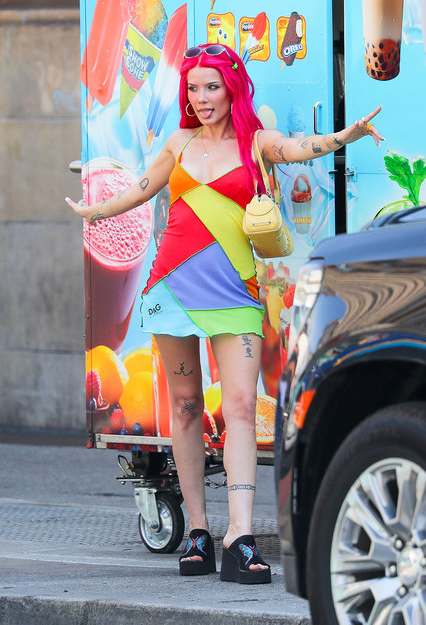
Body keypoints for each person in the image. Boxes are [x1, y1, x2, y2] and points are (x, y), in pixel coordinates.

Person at [66, 44, 384, 584]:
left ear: (232, 86)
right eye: (193, 88)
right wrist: (95, 210)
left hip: (235, 290)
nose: (201, 97)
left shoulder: (256, 141)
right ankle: (198, 530)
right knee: (187, 407)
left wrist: (343, 138)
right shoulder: (178, 142)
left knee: (239, 406)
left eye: (211, 86)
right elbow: (143, 187)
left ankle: (240, 537)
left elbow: (299, 147)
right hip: (171, 286)